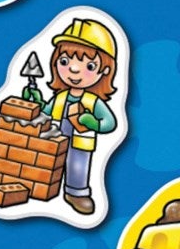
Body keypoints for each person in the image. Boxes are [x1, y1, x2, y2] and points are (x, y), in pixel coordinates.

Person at [24, 18, 120, 217]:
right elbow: (46, 112)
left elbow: (109, 123)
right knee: (48, 164)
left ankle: (75, 193)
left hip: (80, 144)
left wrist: (92, 122)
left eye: (89, 66)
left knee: (78, 167)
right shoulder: (60, 97)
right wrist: (36, 100)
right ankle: (42, 187)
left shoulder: (92, 101)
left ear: (105, 70)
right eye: (65, 62)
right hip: (54, 138)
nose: (74, 70)